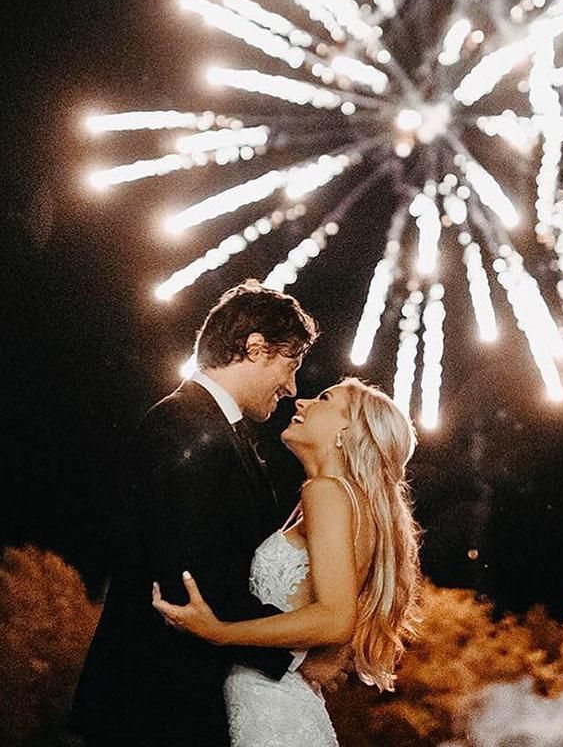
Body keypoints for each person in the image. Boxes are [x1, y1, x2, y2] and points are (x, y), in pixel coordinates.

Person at [71, 279, 347, 747]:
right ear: (255, 348)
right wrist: (302, 651)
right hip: (153, 703)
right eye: (291, 362)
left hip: (183, 697)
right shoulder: (184, 428)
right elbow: (190, 580)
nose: (292, 386)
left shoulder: (216, 432)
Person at [153, 376, 422, 747]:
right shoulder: (350, 503)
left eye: (324, 398)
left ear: (349, 428)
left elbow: (335, 618)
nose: (301, 402)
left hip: (271, 714)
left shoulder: (326, 493)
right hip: (287, 706)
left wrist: (218, 631)